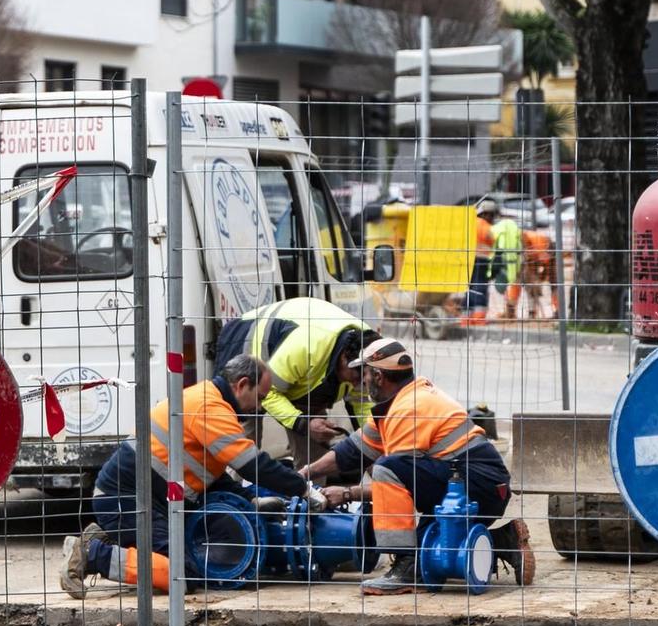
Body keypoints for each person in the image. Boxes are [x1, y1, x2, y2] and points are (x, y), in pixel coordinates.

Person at [61, 355, 324, 597]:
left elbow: (213, 473)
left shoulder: (209, 400)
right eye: (260, 397)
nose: (262, 407)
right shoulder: (209, 406)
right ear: (243, 385)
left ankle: (107, 536)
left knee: (191, 562)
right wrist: (302, 489)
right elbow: (251, 464)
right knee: (183, 575)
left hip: (143, 500)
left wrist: (250, 499)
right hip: (126, 499)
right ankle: (93, 553)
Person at [312, 338, 536, 595]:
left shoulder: (407, 409)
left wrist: (347, 493)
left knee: (387, 469)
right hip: (479, 485)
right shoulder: (403, 401)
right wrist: (306, 473)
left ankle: (407, 570)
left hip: (475, 485)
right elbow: (349, 452)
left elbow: (394, 481)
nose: (362, 380)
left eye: (364, 373)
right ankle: (505, 541)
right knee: (430, 548)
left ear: (378, 376)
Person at [212, 297, 377, 470]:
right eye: (358, 376)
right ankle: (233, 494)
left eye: (366, 376)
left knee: (315, 453)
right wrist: (304, 424)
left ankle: (311, 494)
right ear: (344, 358)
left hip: (301, 375)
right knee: (243, 451)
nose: (360, 382)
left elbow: (363, 409)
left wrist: (371, 447)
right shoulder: (307, 347)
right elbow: (269, 395)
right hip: (246, 348)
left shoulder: (368, 351)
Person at [484, 198, 522, 322]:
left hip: (504, 264)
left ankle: (510, 313)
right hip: (515, 263)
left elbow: (496, 248)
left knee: (507, 287)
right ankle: (510, 313)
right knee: (512, 286)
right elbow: (520, 245)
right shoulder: (513, 226)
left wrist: (492, 268)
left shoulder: (496, 228)